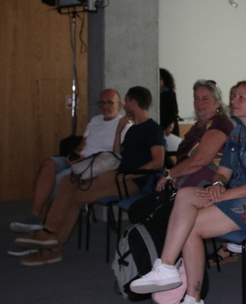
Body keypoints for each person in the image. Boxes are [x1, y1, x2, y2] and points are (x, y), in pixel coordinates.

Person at [129, 80, 246, 304]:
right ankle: (168, 268)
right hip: (238, 197)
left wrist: (226, 195)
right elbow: (222, 172)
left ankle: (192, 299)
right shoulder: (237, 132)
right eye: (233, 96)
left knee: (191, 225)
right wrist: (216, 186)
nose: (233, 101)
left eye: (241, 97)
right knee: (185, 196)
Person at [14, 86, 165, 266]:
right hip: (117, 175)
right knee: (68, 183)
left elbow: (158, 161)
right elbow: (117, 155)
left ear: (133, 102)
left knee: (72, 194)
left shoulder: (152, 128)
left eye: (126, 101)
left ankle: (50, 242)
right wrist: (118, 132)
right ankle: (50, 240)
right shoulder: (131, 130)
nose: (124, 105)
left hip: (130, 181)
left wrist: (129, 176)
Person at [9, 89, 126, 235]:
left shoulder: (124, 125)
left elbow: (116, 156)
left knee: (58, 180)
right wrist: (73, 155)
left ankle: (40, 221)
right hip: (79, 160)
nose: (105, 106)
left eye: (110, 102)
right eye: (101, 102)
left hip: (93, 166)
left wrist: (86, 160)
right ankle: (35, 215)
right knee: (48, 163)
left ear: (119, 105)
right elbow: (83, 144)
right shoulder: (95, 121)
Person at [128, 80, 234, 228]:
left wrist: (169, 174)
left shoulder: (220, 123)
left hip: (208, 185)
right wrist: (174, 176)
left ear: (217, 103)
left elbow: (200, 160)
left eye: (205, 98)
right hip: (183, 183)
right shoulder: (197, 127)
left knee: (154, 217)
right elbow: (185, 159)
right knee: (138, 211)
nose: (199, 102)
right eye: (196, 98)